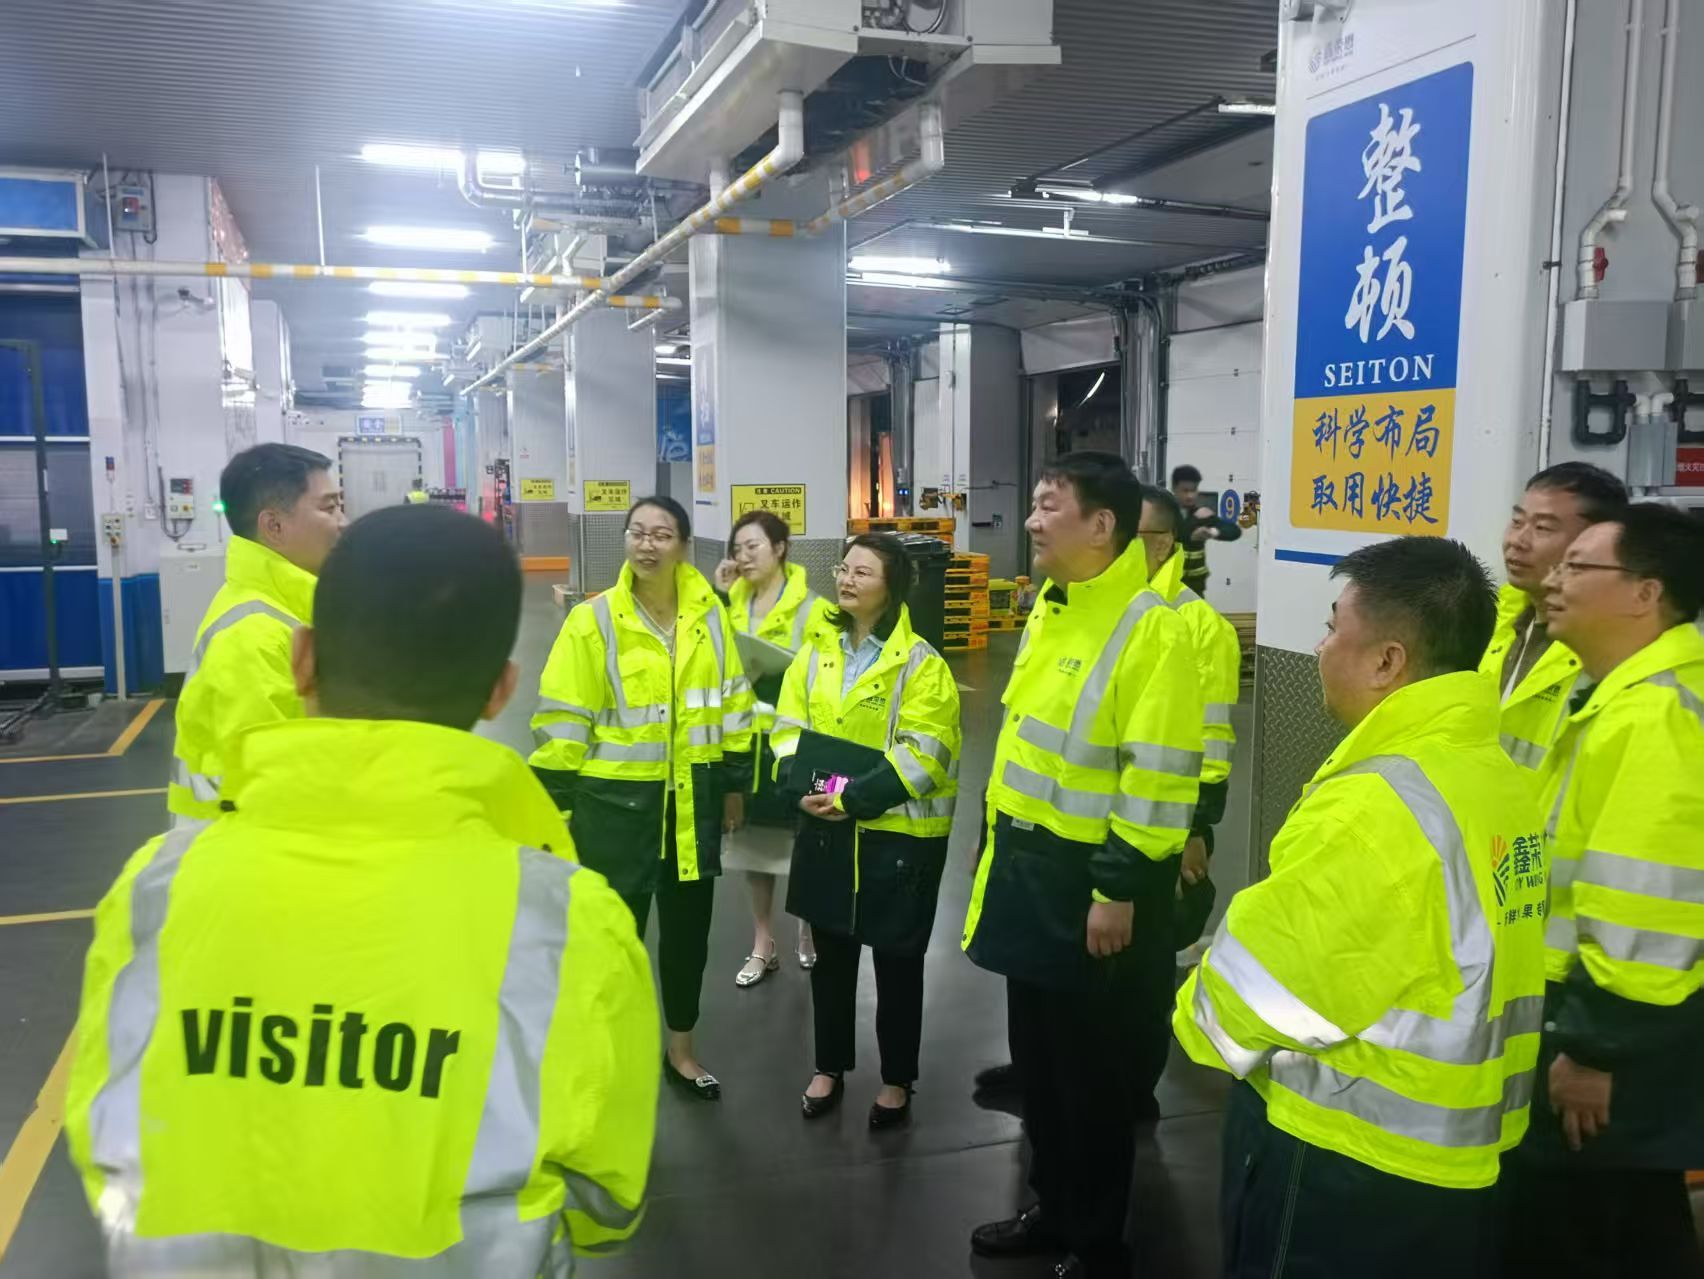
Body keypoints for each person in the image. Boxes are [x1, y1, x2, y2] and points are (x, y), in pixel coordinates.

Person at [66, 505, 659, 1274]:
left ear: (302, 658)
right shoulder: (567, 923)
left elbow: (102, 1136)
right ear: (500, 690)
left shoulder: (157, 890)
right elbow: (609, 1198)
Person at [1174, 536, 1548, 1278]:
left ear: (1387, 661)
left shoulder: (1376, 806)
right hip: (1463, 1154)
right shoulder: (1496, 775)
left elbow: (1254, 996)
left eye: (1331, 627)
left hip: (1344, 1156)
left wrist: (1194, 1014)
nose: (1319, 647)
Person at [964, 452, 1203, 1279]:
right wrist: (992, 839)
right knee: (1040, 1063)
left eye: (1047, 506)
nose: (1031, 521)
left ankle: (1098, 1240)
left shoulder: (1152, 629)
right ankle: (1053, 1207)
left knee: (1090, 1076)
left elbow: (1157, 777)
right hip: (1026, 868)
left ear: (1102, 525)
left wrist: (1118, 887)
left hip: (1091, 883)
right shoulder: (1052, 607)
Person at [1499, 503, 1704, 1276]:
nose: (1554, 579)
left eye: (1578, 565)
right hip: (1601, 1013)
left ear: (1645, 593)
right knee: (1630, 1218)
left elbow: (1645, 908)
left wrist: (1593, 1049)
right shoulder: (1612, 695)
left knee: (1592, 1227)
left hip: (1618, 1030)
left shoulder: (1658, 716)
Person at [531, 495, 753, 1101]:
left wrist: (734, 785)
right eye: (637, 532)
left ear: (684, 545)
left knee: (687, 939)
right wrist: (558, 807)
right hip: (613, 810)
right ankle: (604, 1056)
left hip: (691, 806)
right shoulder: (594, 621)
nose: (647, 544)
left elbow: (734, 702)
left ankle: (681, 1051)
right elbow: (562, 722)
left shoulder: (710, 618)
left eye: (661, 534)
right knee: (610, 939)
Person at [769, 533, 961, 1128]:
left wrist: (853, 798)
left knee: (897, 964)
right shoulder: (816, 652)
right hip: (827, 828)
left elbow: (926, 755)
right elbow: (788, 728)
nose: (846, 579)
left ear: (892, 586)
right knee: (830, 957)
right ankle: (828, 1067)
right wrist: (802, 785)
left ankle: (897, 1079)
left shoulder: (922, 664)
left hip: (896, 840)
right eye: (844, 568)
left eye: (863, 572)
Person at [168, 443, 345, 827]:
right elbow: (271, 795)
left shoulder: (285, 609)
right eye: (329, 508)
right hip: (227, 850)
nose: (342, 522)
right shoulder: (252, 637)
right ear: (274, 526)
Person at [712, 510, 834, 986]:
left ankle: (807, 930)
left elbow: (828, 673)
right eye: (737, 549)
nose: (743, 557)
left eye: (753, 547)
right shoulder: (732, 602)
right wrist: (720, 594)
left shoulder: (813, 608)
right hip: (746, 746)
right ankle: (763, 942)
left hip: (794, 746)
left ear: (780, 548)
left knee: (804, 845)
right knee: (753, 850)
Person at [1479, 462, 1626, 772]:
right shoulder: (1491, 617)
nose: (1517, 540)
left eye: (1542, 528)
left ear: (1594, 543)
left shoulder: (1612, 648)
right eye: (1517, 522)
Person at [1169, 463, 1241, 597]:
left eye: (1194, 490)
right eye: (1185, 491)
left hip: (1195, 588)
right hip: (1169, 587)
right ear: (1174, 489)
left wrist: (1212, 532)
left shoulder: (1202, 515)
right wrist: (1191, 536)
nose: (1190, 496)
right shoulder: (1165, 513)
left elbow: (1234, 531)